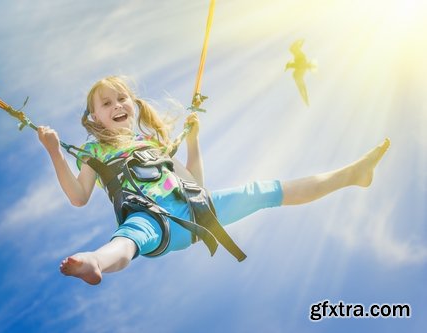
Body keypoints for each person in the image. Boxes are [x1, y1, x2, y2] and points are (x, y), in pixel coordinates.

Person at [37, 76, 390, 285]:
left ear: (133, 104)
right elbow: (79, 196)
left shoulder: (153, 145)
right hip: (151, 218)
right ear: (94, 116)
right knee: (130, 237)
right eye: (105, 102)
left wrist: (192, 141)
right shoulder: (93, 151)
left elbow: (196, 183)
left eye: (121, 97)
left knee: (263, 191)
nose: (116, 104)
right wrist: (55, 151)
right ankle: (96, 263)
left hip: (195, 211)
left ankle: (350, 175)